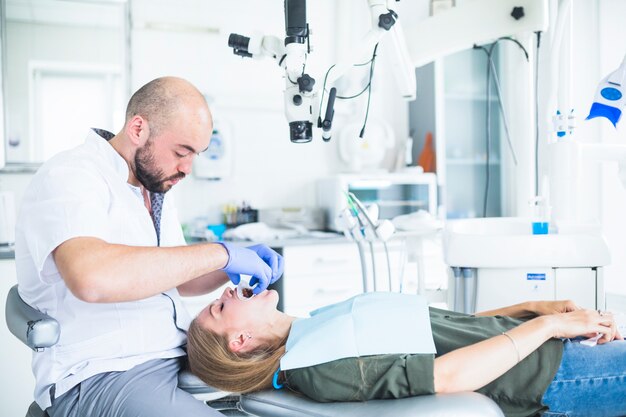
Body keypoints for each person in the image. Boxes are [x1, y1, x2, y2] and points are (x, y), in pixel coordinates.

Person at [15, 76, 284, 417]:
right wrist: (220, 253)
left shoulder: (152, 188)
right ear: (138, 128)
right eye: (181, 152)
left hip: (169, 354)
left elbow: (176, 278)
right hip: (104, 373)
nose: (187, 168)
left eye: (195, 155)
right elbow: (91, 278)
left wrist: (229, 266)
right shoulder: (72, 176)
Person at [186, 287, 626, 417]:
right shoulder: (318, 368)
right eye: (221, 307)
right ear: (239, 342)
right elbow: (448, 377)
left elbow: (442, 328)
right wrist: (548, 326)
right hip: (550, 375)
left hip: (546, 347)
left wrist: (530, 309)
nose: (226, 291)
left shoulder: (314, 327)